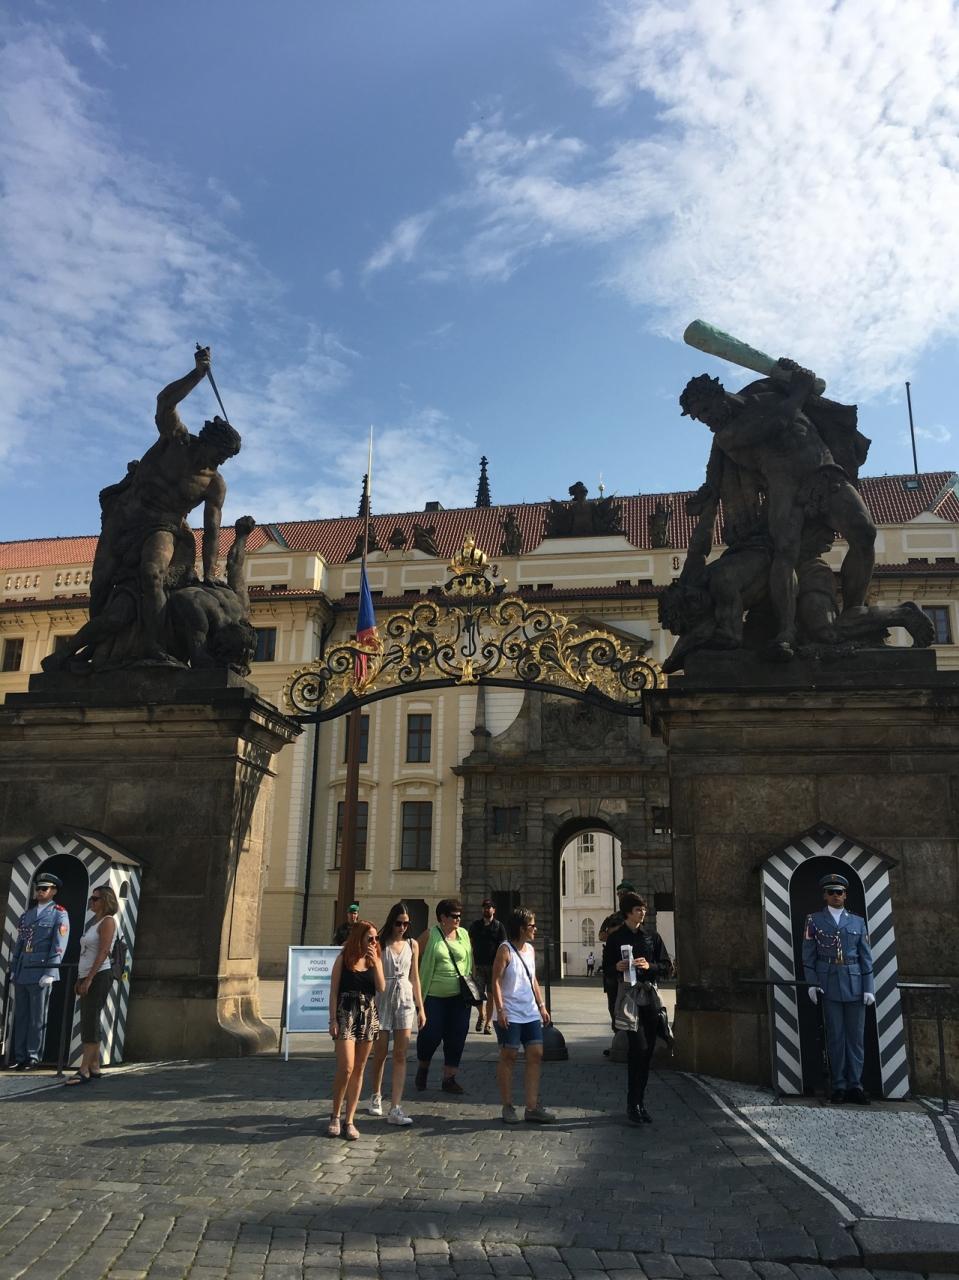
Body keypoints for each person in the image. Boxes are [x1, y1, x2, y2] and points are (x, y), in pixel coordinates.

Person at [679, 362, 876, 659]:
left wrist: (793, 372)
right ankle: (786, 631)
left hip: (824, 473)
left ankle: (854, 611)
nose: (705, 420)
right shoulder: (728, 435)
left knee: (865, 534)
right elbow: (780, 421)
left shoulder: (766, 391)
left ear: (719, 394)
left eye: (705, 410)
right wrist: (800, 389)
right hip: (786, 488)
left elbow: (807, 402)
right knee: (785, 553)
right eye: (698, 417)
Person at [86, 346, 242, 662]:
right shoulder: (176, 440)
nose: (220, 461)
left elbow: (213, 531)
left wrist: (210, 572)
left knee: (152, 574)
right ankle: (97, 648)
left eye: (226, 458)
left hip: (164, 526)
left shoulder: (214, 483)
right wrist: (197, 374)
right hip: (126, 516)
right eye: (220, 454)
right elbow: (164, 402)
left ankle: (155, 646)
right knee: (101, 582)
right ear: (208, 440)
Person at [802, 873, 875, 1104]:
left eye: (840, 892)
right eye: (831, 892)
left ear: (845, 895)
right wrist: (812, 984)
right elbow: (808, 956)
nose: (836, 896)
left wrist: (869, 987)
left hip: (855, 983)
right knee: (835, 1037)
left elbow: (865, 956)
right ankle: (839, 1085)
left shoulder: (857, 922)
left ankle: (856, 1085)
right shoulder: (814, 920)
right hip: (829, 983)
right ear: (825, 895)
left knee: (855, 1039)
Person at [603, 892, 671, 1124]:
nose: (642, 913)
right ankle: (633, 1104)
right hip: (629, 998)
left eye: (643, 909)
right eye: (638, 910)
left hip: (649, 997)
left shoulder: (652, 936)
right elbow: (606, 970)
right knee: (637, 1049)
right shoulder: (616, 938)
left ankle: (640, 1103)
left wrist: (650, 966)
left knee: (648, 1052)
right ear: (628, 913)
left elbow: (666, 967)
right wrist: (616, 966)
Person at [491, 907, 556, 1124]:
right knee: (509, 1055)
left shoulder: (530, 950)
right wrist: (500, 1010)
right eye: (532, 925)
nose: (535, 929)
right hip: (509, 1012)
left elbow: (533, 979)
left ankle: (532, 1107)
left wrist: (541, 1005)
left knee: (536, 1053)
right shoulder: (505, 950)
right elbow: (496, 982)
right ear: (521, 928)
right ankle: (507, 1106)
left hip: (529, 1012)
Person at [366, 902, 425, 1126]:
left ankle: (396, 1106)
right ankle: (376, 1094)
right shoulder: (380, 944)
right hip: (382, 997)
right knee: (380, 1052)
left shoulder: (412, 944)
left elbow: (415, 977)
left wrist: (421, 1007)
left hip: (405, 999)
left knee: (401, 1054)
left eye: (406, 924)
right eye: (399, 923)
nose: (402, 928)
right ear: (391, 922)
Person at [326, 920, 385, 1139]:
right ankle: (335, 1115)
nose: (374, 942)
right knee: (347, 1067)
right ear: (359, 938)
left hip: (367, 1014)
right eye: (370, 938)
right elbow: (333, 991)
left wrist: (376, 963)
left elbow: (381, 987)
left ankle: (349, 1120)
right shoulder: (343, 958)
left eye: (376, 938)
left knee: (359, 1068)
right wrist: (332, 1020)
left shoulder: (374, 959)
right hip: (346, 1013)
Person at [9, 872, 70, 1071]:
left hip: (41, 970)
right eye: (38, 888)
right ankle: (19, 1056)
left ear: (54, 891)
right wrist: (14, 968)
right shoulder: (27, 915)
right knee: (21, 1016)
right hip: (23, 969)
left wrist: (51, 972)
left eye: (44, 888)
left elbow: (58, 945)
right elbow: (20, 944)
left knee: (37, 1017)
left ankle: (32, 1056)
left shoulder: (59, 913)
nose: (40, 892)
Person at [415, 899, 475, 1095]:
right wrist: (414, 980)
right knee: (430, 1035)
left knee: (457, 1036)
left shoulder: (463, 934)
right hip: (434, 996)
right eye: (454, 916)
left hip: (460, 997)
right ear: (442, 917)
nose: (458, 919)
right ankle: (423, 1067)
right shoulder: (430, 934)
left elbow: (470, 961)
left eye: (459, 916)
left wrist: (473, 988)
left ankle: (449, 1079)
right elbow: (413, 955)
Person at [64, 885, 119, 1086]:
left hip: (99, 975)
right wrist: (81, 978)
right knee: (89, 1018)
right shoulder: (94, 923)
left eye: (95, 899)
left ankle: (84, 1069)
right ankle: (94, 1065)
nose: (91, 902)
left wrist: (88, 979)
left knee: (90, 1019)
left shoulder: (107, 921)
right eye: (92, 898)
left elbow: (103, 951)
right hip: (87, 974)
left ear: (105, 901)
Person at [468, 899, 506, 1034]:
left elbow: (503, 947)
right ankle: (482, 1014)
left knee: (491, 995)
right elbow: (469, 943)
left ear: (494, 910)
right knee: (476, 995)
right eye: (484, 907)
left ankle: (488, 1023)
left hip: (494, 966)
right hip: (478, 965)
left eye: (489, 907)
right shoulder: (475, 925)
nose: (487, 909)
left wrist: (502, 965)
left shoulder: (499, 926)